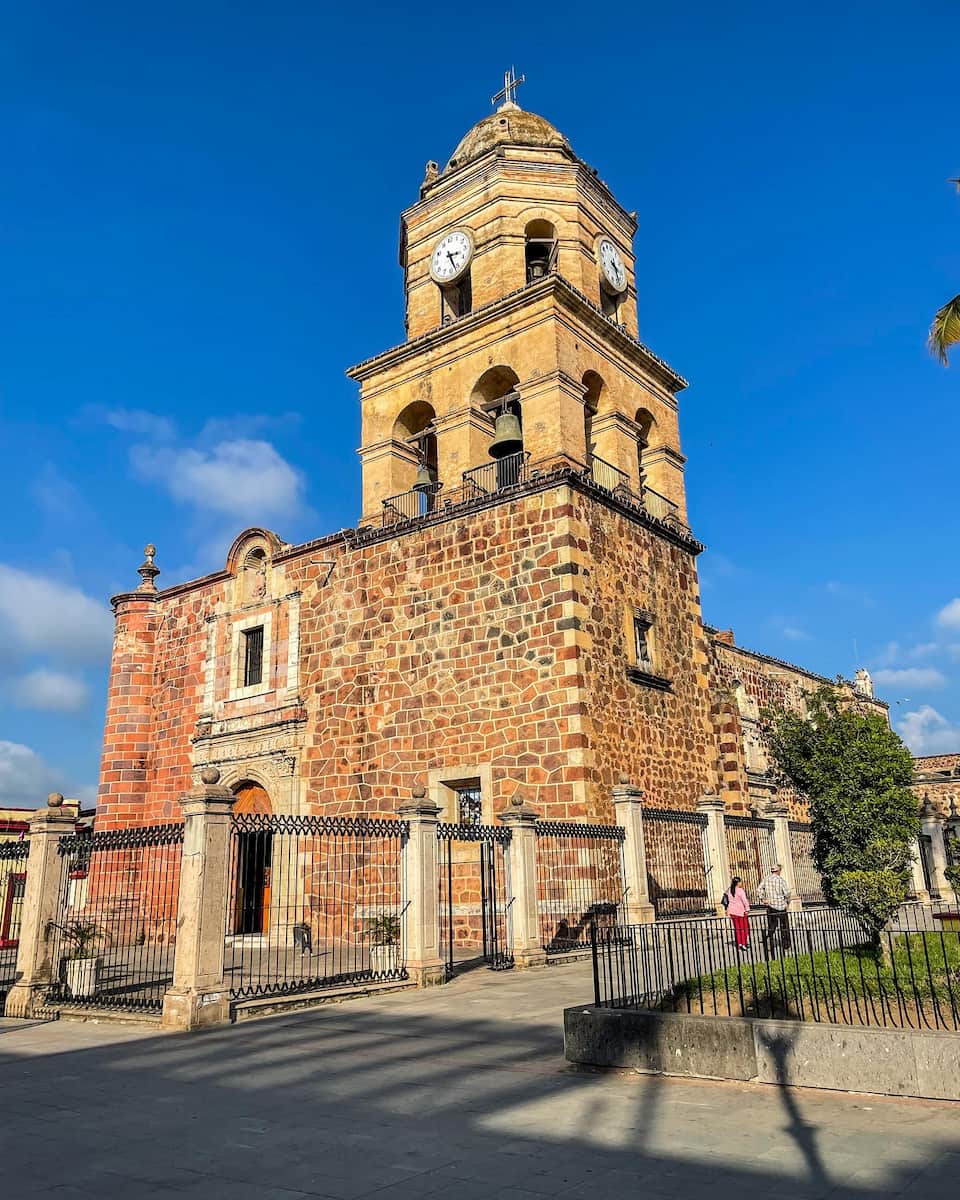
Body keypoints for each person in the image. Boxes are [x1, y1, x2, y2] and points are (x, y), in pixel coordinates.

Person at [758, 863, 792, 952]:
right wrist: (788, 902)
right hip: (781, 906)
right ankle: (786, 944)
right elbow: (787, 893)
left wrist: (763, 899)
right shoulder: (781, 880)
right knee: (784, 925)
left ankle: (769, 940)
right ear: (778, 871)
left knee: (772, 925)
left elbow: (759, 889)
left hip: (771, 906)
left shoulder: (766, 879)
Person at [724, 876, 750, 950]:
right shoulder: (740, 890)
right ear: (738, 883)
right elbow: (744, 900)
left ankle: (739, 943)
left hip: (732, 911)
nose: (741, 883)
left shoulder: (729, 890)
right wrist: (747, 909)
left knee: (737, 929)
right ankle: (744, 943)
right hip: (740, 911)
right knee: (744, 928)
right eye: (741, 882)